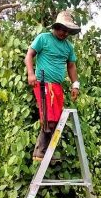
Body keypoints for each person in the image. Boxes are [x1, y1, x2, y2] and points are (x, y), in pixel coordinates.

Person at [25, 10, 81, 161]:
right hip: (43, 83)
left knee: (56, 119)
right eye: (62, 29)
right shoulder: (43, 38)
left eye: (67, 30)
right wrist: (31, 73)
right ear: (56, 27)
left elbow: (71, 66)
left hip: (57, 86)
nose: (64, 33)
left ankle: (47, 152)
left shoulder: (68, 47)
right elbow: (29, 55)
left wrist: (75, 85)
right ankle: (40, 151)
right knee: (48, 116)